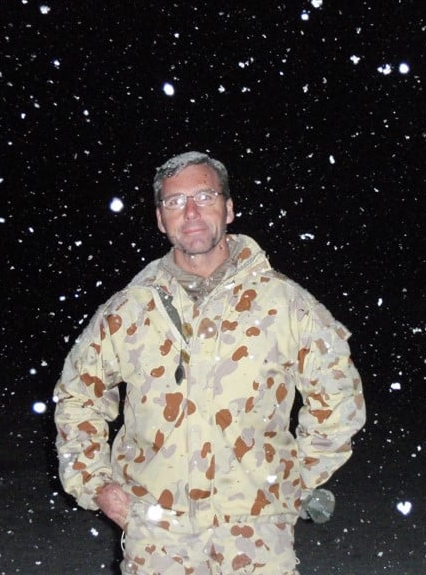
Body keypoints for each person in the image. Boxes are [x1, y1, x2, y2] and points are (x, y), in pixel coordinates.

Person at [54, 151, 366, 574]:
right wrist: (97, 485)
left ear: (229, 208)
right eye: (175, 202)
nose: (192, 211)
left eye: (204, 195)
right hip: (157, 539)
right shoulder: (127, 310)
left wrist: (292, 482)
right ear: (161, 219)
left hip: (257, 539)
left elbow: (338, 397)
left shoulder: (285, 305)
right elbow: (78, 398)